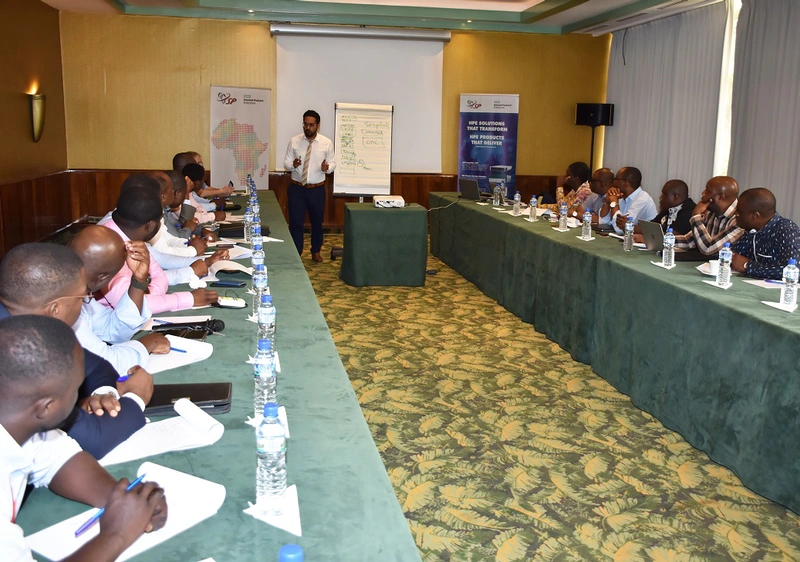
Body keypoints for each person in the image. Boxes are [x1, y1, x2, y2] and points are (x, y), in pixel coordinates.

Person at [0, 314, 166, 561]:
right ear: (47, 408)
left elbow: (58, 459)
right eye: (78, 388)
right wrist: (116, 535)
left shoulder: (20, 426)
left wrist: (121, 500)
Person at [0, 243, 151, 458]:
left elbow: (97, 367)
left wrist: (102, 395)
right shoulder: (19, 355)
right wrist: (136, 397)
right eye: (82, 298)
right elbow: (93, 441)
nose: (84, 304)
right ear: (55, 309)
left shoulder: (33, 326)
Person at [98, 176, 218, 315]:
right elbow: (131, 307)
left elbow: (159, 276)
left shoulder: (131, 233)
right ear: (150, 225)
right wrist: (188, 298)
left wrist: (149, 292)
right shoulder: (107, 247)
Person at [69, 226, 169, 376]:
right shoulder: (64, 306)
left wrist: (138, 280)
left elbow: (112, 330)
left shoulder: (77, 291)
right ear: (102, 278)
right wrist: (147, 344)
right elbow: (105, 364)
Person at [283, 109, 336, 262]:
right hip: (297, 188)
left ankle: (316, 251)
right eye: (305, 124)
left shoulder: (326, 143)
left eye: (311, 125)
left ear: (317, 126)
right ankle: (296, 252)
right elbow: (286, 163)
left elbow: (333, 162)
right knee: (295, 223)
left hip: (317, 189)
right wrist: (292, 164)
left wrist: (328, 168)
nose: (308, 128)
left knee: (317, 222)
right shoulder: (294, 141)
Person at [731, 188, 800, 279]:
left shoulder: (786, 230)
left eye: (739, 211)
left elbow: (795, 271)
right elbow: (735, 257)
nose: (735, 214)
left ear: (755, 216)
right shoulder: (751, 231)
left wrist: (748, 266)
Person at [674, 176, 743, 256]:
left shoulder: (739, 219)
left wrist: (696, 216)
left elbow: (708, 249)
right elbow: (689, 241)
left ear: (720, 198)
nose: (703, 193)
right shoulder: (711, 213)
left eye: (707, 191)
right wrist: (662, 240)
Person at [605, 166, 657, 234]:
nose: (614, 182)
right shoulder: (621, 196)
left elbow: (620, 229)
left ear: (626, 183)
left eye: (616, 179)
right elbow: (605, 222)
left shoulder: (643, 199)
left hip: (643, 241)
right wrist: (607, 200)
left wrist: (614, 203)